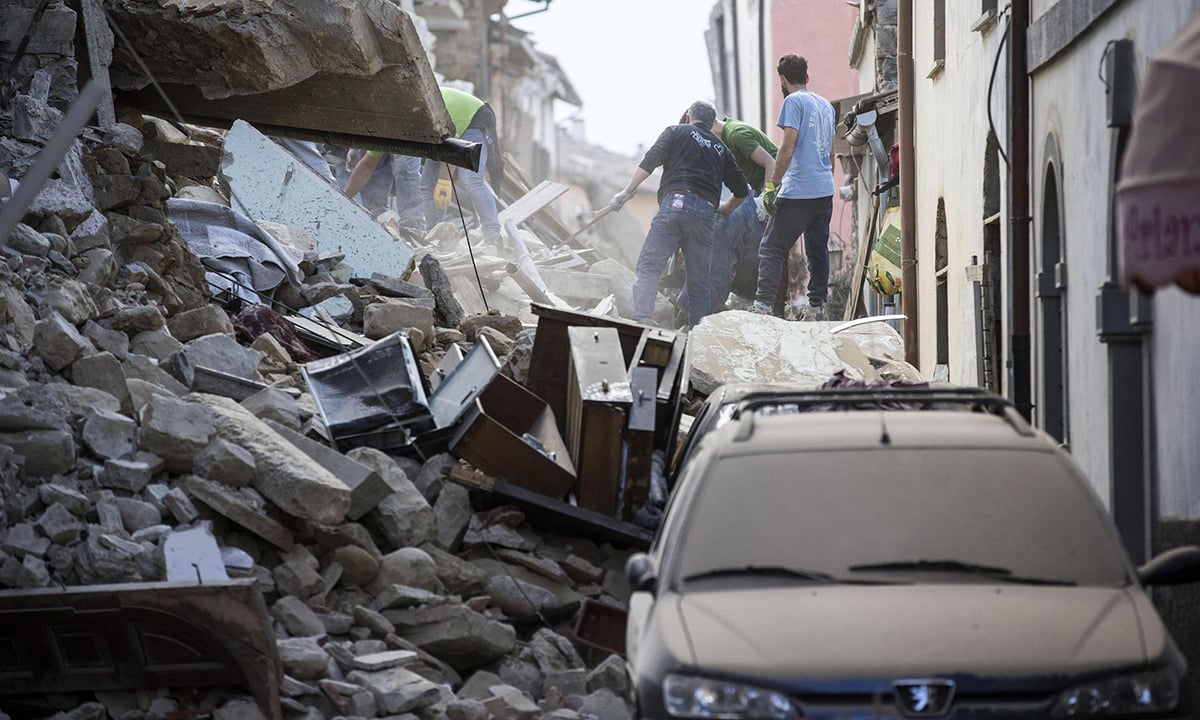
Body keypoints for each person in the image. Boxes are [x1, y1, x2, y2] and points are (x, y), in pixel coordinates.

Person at [609, 100, 749, 328]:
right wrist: (723, 210)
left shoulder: (676, 131)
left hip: (674, 205)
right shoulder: (721, 149)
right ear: (712, 123)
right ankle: (697, 334)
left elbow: (650, 161)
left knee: (650, 264)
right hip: (704, 215)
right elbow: (741, 191)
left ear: (688, 117)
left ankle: (643, 318)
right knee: (699, 281)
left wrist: (626, 192)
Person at [343, 86, 505, 247]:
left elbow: (454, 144)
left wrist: (445, 180)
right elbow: (366, 167)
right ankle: (434, 235)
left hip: (472, 118)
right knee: (428, 185)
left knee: (470, 178)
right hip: (445, 133)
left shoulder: (417, 115)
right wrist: (344, 197)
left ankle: (493, 236)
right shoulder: (387, 131)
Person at [751, 54, 836, 321]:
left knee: (772, 248)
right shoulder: (825, 106)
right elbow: (831, 152)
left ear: (783, 80)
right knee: (817, 249)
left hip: (799, 189)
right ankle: (816, 307)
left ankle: (763, 306)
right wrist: (825, 177)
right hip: (825, 189)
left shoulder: (793, 101)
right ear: (807, 77)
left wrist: (771, 187)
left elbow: (787, 147)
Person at [708, 115, 779, 314]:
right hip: (759, 187)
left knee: (741, 233)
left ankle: (765, 303)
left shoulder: (736, 134)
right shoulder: (727, 139)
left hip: (776, 185)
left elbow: (771, 163)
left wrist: (767, 197)